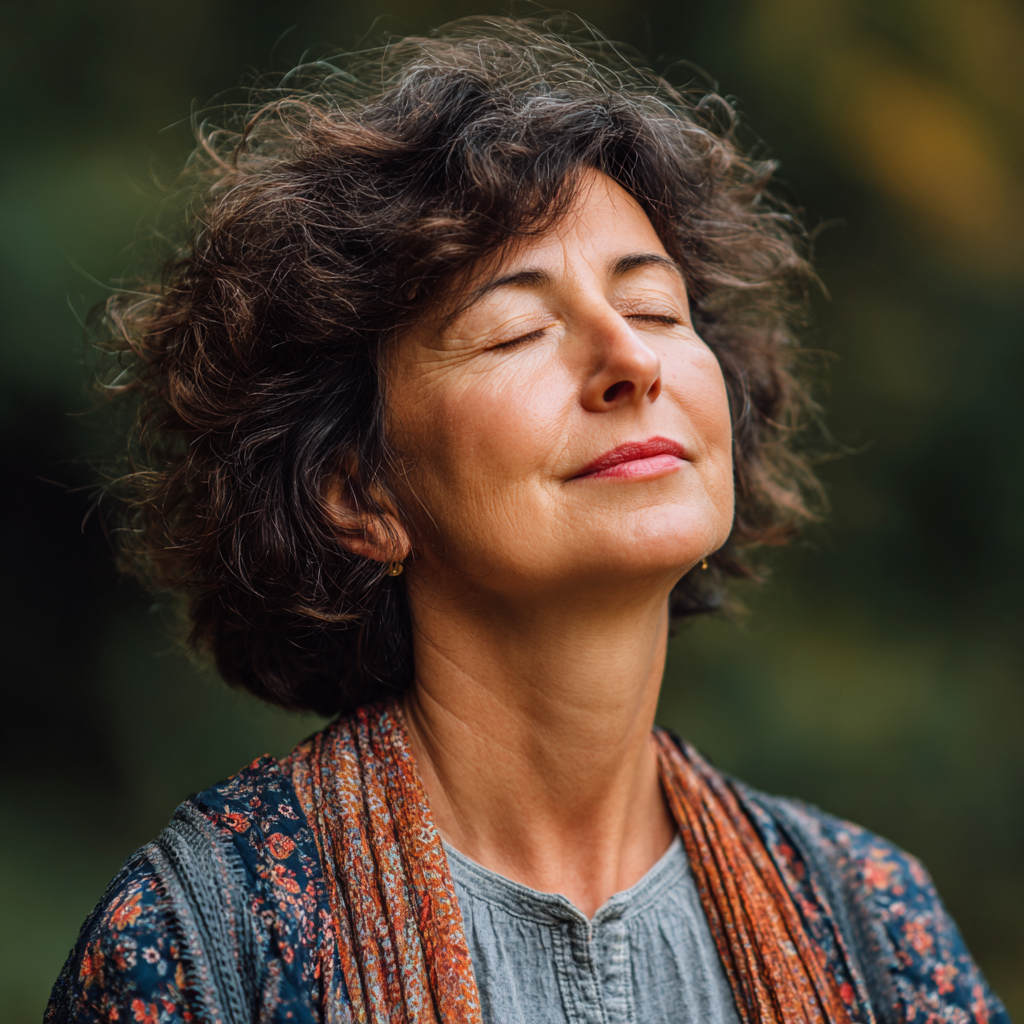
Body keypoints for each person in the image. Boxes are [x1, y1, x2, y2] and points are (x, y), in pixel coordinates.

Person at [47, 17, 1008, 1024]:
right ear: (358, 495)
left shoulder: (872, 925)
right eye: (516, 330)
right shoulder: (206, 942)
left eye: (655, 310)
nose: (630, 360)